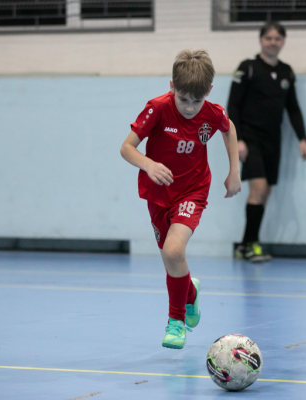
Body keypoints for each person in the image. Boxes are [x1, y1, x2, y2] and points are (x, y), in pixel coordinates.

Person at [120, 50, 241, 349]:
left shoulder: (212, 112)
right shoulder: (158, 108)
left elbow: (229, 129)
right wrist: (148, 164)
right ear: (172, 86)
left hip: (193, 190)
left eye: (196, 101)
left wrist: (234, 171)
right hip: (159, 193)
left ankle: (176, 322)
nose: (189, 107)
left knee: (174, 250)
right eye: (183, 98)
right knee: (170, 258)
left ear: (208, 91)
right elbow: (127, 148)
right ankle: (190, 292)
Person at [227, 21, 306, 263]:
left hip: (274, 141)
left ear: (282, 42)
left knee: (265, 193)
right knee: (259, 188)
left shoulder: (287, 72)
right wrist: (238, 140)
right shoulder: (248, 67)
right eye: (268, 38)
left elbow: (293, 108)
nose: (273, 42)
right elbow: (232, 105)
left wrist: (302, 138)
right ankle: (251, 245)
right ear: (261, 40)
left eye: (277, 39)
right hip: (250, 139)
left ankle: (245, 244)